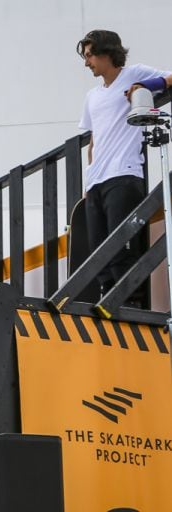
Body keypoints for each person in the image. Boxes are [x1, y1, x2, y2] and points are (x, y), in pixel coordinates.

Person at [76, 30, 172, 307]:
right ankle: (109, 296)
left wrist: (145, 86)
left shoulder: (134, 74)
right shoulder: (92, 96)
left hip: (125, 172)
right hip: (97, 180)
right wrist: (88, 181)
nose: (87, 62)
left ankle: (131, 302)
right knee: (98, 248)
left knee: (121, 246)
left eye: (90, 55)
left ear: (107, 52)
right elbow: (93, 141)